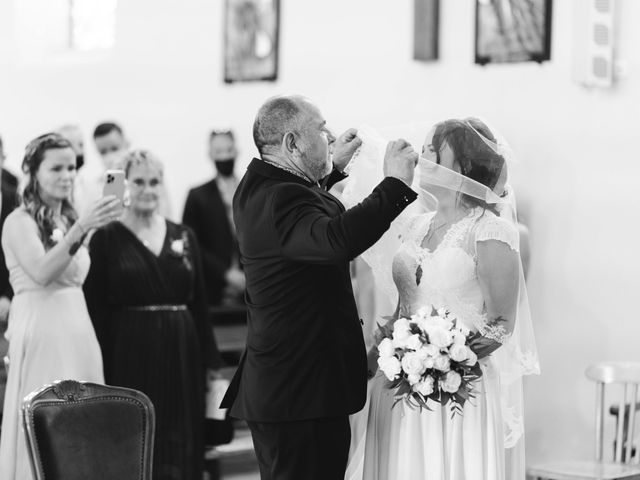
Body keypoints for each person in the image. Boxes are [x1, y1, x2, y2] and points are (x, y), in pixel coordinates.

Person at [220, 94, 419, 480]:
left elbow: (299, 221)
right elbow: (335, 239)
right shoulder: (284, 199)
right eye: (321, 128)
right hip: (302, 392)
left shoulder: (256, 186)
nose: (330, 135)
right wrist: (394, 184)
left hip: (287, 389)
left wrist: (331, 171)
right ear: (293, 143)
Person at [344, 119, 539, 480]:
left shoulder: (491, 230)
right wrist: (377, 362)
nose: (423, 154)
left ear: (463, 167)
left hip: (458, 389)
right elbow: (405, 308)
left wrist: (443, 364)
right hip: (402, 383)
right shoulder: (417, 225)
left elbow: (501, 325)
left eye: (434, 148)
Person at [84, 149, 223, 480]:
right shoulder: (105, 237)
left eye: (154, 182)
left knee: (182, 431)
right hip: (130, 348)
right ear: (125, 186)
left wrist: (212, 363)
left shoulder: (183, 235)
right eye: (139, 182)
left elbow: (200, 304)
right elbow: (96, 308)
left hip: (182, 348)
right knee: (137, 433)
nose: (148, 189)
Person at [0, 133, 122, 480]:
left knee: (84, 419)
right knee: (46, 417)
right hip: (40, 327)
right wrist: (83, 227)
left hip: (77, 327)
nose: (67, 175)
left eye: (71, 167)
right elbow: (41, 272)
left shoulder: (67, 221)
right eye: (56, 168)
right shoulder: (18, 221)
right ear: (33, 172)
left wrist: (94, 226)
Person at [182, 130, 244, 307]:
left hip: (252, 287)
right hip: (211, 291)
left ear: (236, 151)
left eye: (228, 150)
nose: (224, 156)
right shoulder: (197, 196)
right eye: (218, 151)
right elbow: (191, 243)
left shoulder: (251, 191)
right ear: (210, 154)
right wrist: (225, 273)